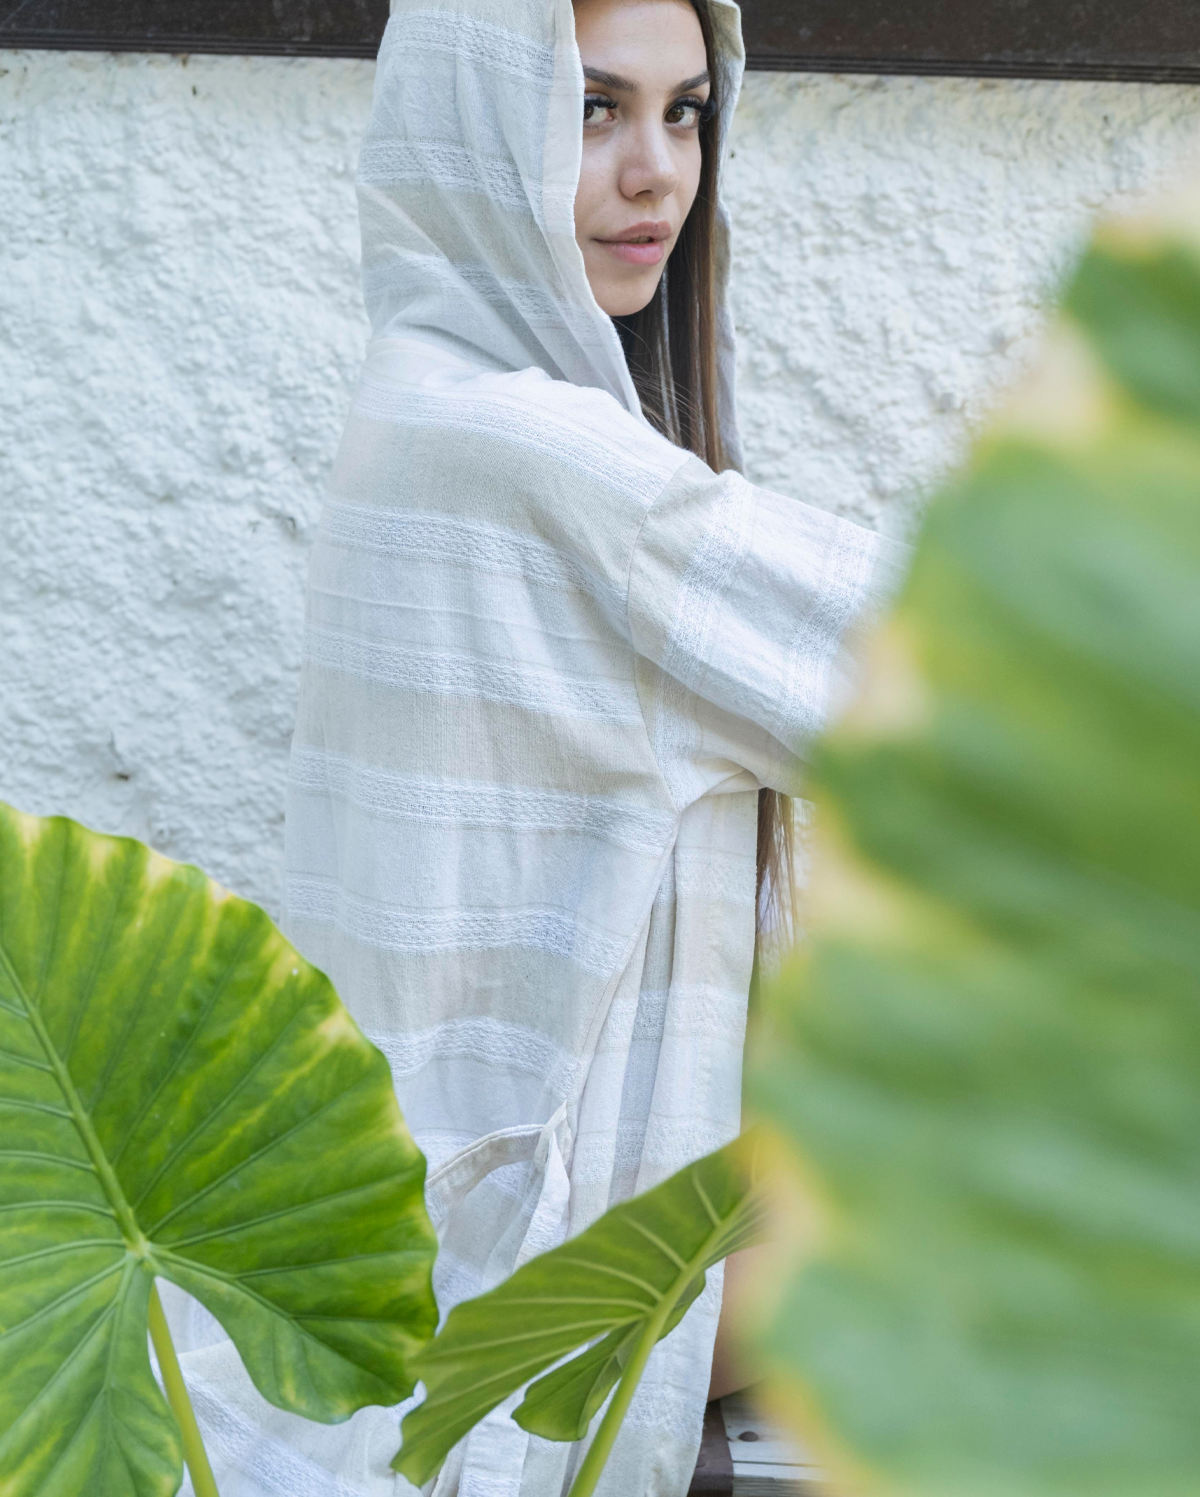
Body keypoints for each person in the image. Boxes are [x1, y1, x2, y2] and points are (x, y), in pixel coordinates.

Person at [177, 0, 906, 1493]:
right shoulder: (536, 459)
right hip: (517, 1345)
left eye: (687, 111)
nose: (657, 173)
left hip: (403, 1303)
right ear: (470, 119)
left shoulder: (413, 409)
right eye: (591, 108)